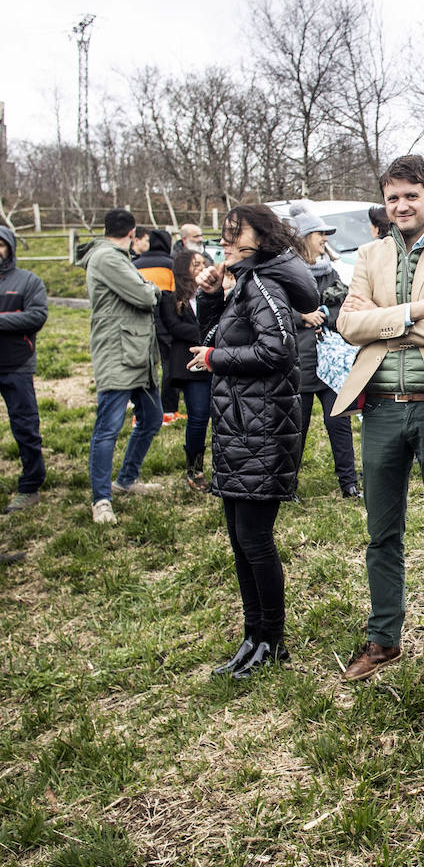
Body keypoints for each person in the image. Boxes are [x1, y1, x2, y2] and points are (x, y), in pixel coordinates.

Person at [333, 155, 424, 691]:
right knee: (381, 532)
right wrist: (417, 311)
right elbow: (349, 324)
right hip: (378, 407)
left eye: (411, 196)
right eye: (393, 197)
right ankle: (384, 637)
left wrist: (386, 323)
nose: (401, 206)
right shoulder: (368, 253)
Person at [191, 205, 319, 679]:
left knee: (254, 540)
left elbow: (277, 351)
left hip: (261, 430)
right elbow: (217, 335)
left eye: (234, 232)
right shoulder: (244, 280)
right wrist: (209, 299)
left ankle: (273, 641)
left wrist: (214, 357)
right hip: (237, 426)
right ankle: (253, 636)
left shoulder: (264, 282)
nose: (224, 240)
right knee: (240, 541)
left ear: (260, 237)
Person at [82, 209, 163, 525]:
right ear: (131, 233)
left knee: (152, 418)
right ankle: (101, 499)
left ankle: (126, 480)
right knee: (108, 428)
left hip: (136, 353)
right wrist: (152, 289)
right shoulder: (108, 258)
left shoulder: (114, 257)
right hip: (117, 354)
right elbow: (145, 295)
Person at [291, 206, 359, 499]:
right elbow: (272, 309)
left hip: (330, 361)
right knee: (296, 427)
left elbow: (342, 306)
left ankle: (349, 483)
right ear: (305, 236)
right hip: (300, 360)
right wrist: (301, 317)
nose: (324, 239)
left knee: (338, 422)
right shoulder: (287, 272)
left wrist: (324, 313)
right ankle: (287, 485)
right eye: (320, 233)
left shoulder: (329, 272)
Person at [0, 226, 48, 513]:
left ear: (10, 247)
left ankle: (31, 485)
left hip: (17, 365)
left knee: (25, 427)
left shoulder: (28, 281)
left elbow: (36, 316)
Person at [158, 250, 214, 492]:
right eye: (195, 265)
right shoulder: (170, 297)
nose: (201, 267)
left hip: (217, 362)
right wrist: (208, 337)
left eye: (203, 263)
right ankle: (195, 470)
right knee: (199, 416)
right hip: (191, 366)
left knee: (220, 417)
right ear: (184, 269)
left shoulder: (211, 293)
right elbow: (174, 326)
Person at [134, 228, 181, 420]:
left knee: (143, 366)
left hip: (140, 321)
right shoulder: (171, 265)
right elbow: (176, 296)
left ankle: (139, 410)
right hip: (166, 324)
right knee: (170, 366)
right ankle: (169, 410)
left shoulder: (134, 265)